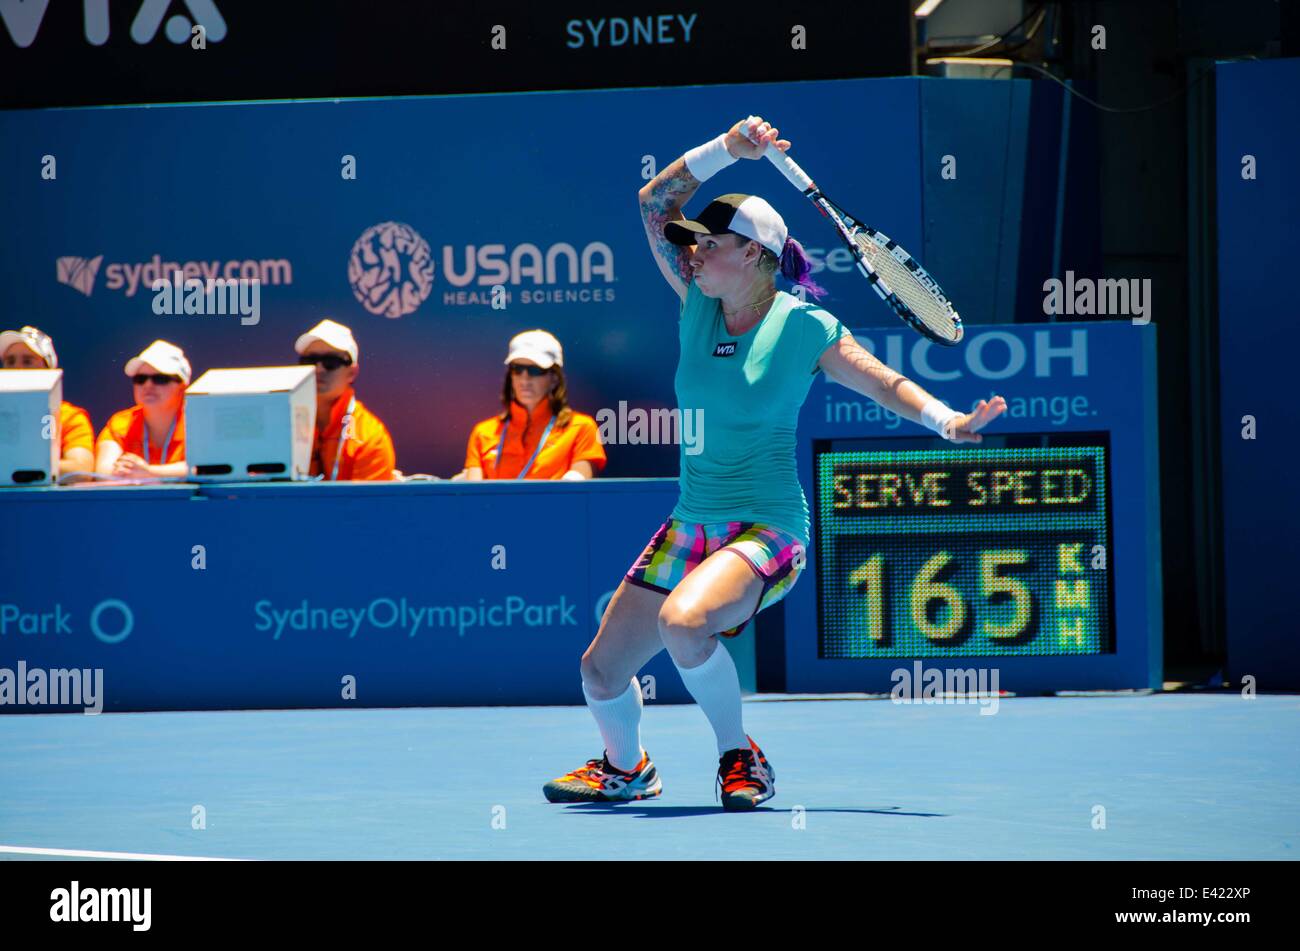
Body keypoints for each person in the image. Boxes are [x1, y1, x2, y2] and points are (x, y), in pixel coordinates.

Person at [543, 116, 1008, 810]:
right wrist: (728, 150)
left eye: (709, 244)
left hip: (768, 529)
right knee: (600, 671)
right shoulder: (696, 307)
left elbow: (881, 381)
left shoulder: (804, 327)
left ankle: (740, 754)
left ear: (757, 255)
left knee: (684, 622)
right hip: (691, 521)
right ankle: (627, 766)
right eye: (692, 246)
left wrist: (948, 421)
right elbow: (653, 203)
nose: (692, 254)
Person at [460, 330, 606, 481]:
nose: (525, 379)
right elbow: (473, 496)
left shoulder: (582, 428)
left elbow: (577, 491)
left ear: (554, 378)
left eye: (535, 370)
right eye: (517, 369)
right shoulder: (482, 433)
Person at [294, 319, 396, 481]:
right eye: (310, 361)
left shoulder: (369, 438)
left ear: (352, 372)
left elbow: (367, 505)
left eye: (331, 362)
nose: (319, 369)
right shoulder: (282, 427)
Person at [0, 325, 93, 477]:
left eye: (27, 361)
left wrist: (18, 466)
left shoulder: (69, 417)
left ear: (48, 369)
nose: (17, 368)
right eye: (10, 361)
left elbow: (81, 471)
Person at [95, 339, 192, 479]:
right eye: (140, 379)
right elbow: (102, 473)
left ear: (182, 386)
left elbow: (209, 469)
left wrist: (150, 473)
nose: (148, 385)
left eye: (160, 379)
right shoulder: (121, 423)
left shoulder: (198, 422)